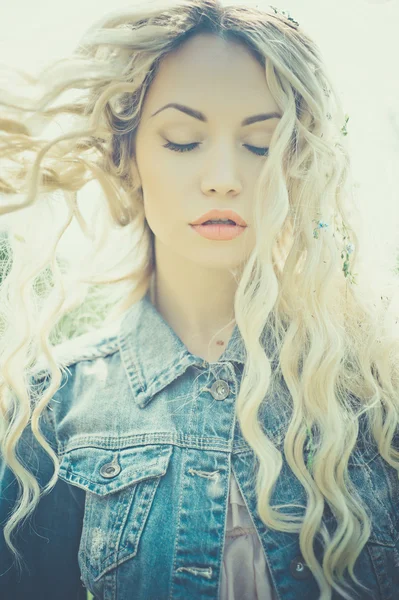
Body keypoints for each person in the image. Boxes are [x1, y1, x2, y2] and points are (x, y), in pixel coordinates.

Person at [1, 1, 398, 599]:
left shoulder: (375, 392)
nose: (223, 177)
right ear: (129, 158)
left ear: (299, 164)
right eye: (183, 140)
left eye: (261, 143)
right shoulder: (49, 408)